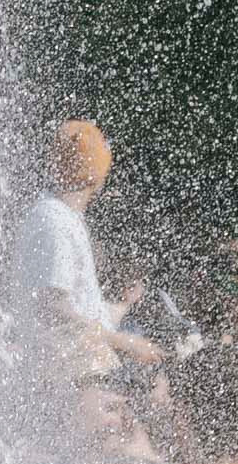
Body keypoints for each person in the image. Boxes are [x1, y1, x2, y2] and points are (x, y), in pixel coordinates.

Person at [12, 119, 163, 372]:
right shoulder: (54, 221)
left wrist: (126, 306)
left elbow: (83, 310)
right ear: (98, 176)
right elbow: (52, 309)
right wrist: (125, 342)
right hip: (66, 380)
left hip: (80, 372)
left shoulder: (67, 218)